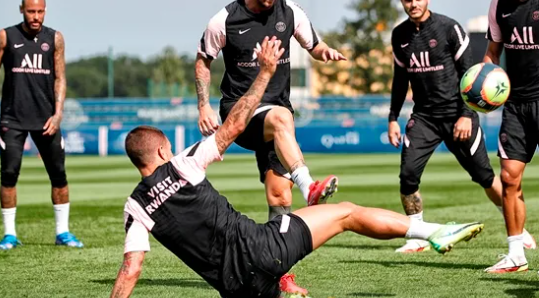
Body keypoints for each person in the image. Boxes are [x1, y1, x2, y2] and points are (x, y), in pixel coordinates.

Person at [110, 37, 485, 298]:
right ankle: (433, 231)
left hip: (236, 289)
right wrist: (265, 73)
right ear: (161, 151)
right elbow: (234, 125)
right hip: (262, 248)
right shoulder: (183, 164)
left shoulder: (135, 208)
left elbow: (131, 270)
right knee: (346, 214)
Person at [195, 0, 346, 222]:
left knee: (280, 195)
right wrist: (203, 106)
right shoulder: (224, 20)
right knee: (281, 117)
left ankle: (277, 262)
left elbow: (314, 45)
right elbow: (203, 60)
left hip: (278, 116)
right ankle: (309, 187)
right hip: (239, 112)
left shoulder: (290, 12)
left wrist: (325, 52)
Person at [388, 0, 535, 254]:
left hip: (458, 115)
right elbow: (399, 80)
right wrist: (393, 117)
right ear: (402, 1)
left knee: (485, 176)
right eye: (408, 0)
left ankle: (518, 226)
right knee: (407, 176)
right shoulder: (399, 36)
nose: (413, 5)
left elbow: (472, 72)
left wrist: (466, 114)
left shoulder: (448, 28)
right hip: (424, 118)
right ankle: (418, 235)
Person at [0, 0, 82, 250]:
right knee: (9, 175)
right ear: (21, 10)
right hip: (12, 119)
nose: (35, 17)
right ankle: (10, 234)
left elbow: (60, 77)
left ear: (45, 11)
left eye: (40, 11)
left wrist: (58, 114)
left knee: (59, 175)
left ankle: (63, 233)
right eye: (31, 11)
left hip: (47, 120)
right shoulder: (6, 36)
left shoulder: (54, 38)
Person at [484, 0, 539, 273]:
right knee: (509, 176)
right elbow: (493, 52)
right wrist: (486, 81)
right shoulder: (499, 5)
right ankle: (516, 253)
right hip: (516, 105)